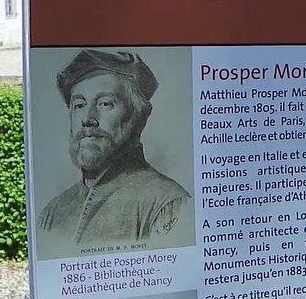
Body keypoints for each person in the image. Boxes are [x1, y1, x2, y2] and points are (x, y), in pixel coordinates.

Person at [36, 50, 192, 260]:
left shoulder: (168, 203)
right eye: (79, 105)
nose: (88, 119)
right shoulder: (52, 212)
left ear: (139, 116)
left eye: (105, 103)